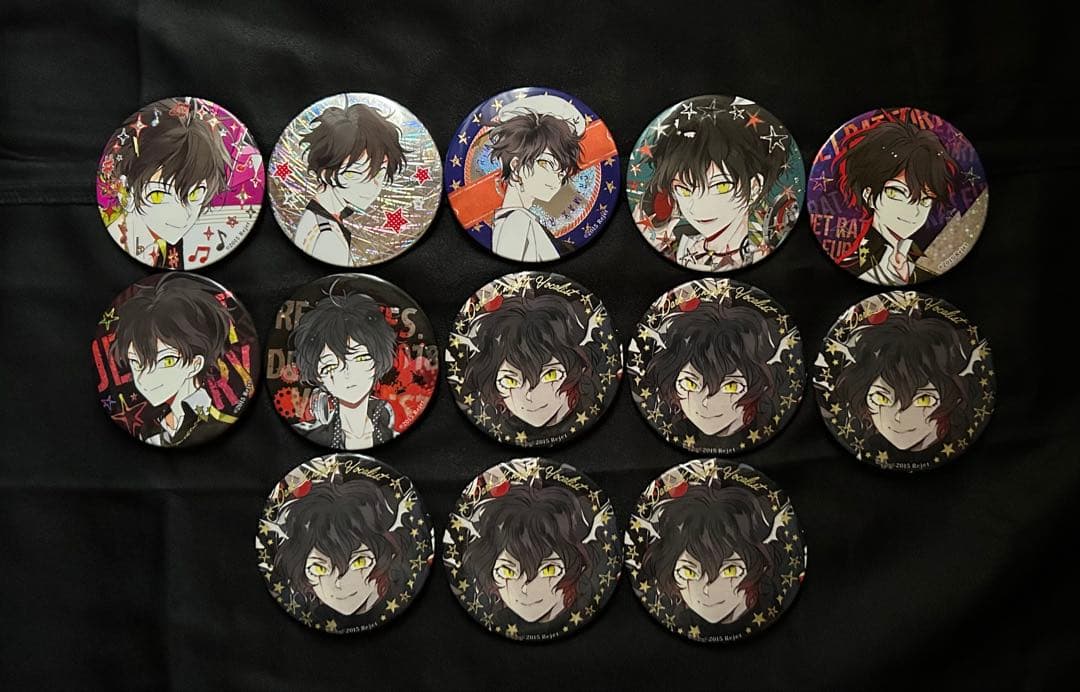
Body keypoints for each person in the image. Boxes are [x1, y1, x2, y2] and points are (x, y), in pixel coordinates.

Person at [639, 97, 787, 270]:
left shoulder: (760, 251)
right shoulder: (678, 246)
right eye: (684, 190)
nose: (699, 207)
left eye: (720, 186)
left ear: (755, 187)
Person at [111, 274, 236, 446]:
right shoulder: (152, 430)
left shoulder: (217, 419)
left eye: (166, 361)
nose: (144, 379)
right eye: (136, 363)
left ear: (195, 364)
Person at [106, 98, 230, 269]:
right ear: (125, 192)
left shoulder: (177, 245)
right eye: (158, 195)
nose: (182, 217)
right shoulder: (122, 244)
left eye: (195, 193)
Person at [831, 312, 979, 452]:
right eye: (881, 398)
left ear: (953, 398)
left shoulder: (961, 436)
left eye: (924, 399)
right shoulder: (863, 441)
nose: (899, 417)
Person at [835, 120, 959, 284]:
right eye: (897, 193)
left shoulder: (924, 265)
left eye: (925, 200)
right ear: (869, 196)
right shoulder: (855, 266)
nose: (913, 211)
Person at [641, 300, 784, 442]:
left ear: (759, 385)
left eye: (731, 386)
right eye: (690, 383)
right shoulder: (668, 423)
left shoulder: (768, 422)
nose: (706, 402)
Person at [639, 483, 781, 625]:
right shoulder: (673, 616)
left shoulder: (771, 603)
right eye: (688, 572)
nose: (707, 590)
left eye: (730, 570)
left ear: (758, 567)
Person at [461, 293, 604, 434]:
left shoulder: (593, 397)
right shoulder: (488, 417)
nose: (531, 397)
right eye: (510, 381)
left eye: (550, 375)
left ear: (577, 368)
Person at [460, 483, 600, 625]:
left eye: (549, 570)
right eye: (507, 571)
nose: (525, 589)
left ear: (577, 567)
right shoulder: (494, 618)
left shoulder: (585, 607)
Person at [272, 478, 407, 617]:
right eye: (319, 568)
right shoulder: (306, 611)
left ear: (386, 557)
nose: (340, 583)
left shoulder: (400, 593)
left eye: (359, 561)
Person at [296, 102, 408, 264]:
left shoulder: (323, 221)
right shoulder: (328, 237)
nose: (371, 188)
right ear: (325, 172)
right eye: (354, 174)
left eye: (380, 172)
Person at [290, 287, 399, 449]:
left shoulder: (393, 435)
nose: (347, 374)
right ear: (319, 376)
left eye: (360, 359)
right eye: (330, 366)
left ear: (377, 361)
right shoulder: (305, 433)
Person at [487, 94, 585, 261]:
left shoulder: (522, 220)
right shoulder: (517, 222)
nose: (556, 179)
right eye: (545, 164)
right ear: (516, 166)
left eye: (561, 171)